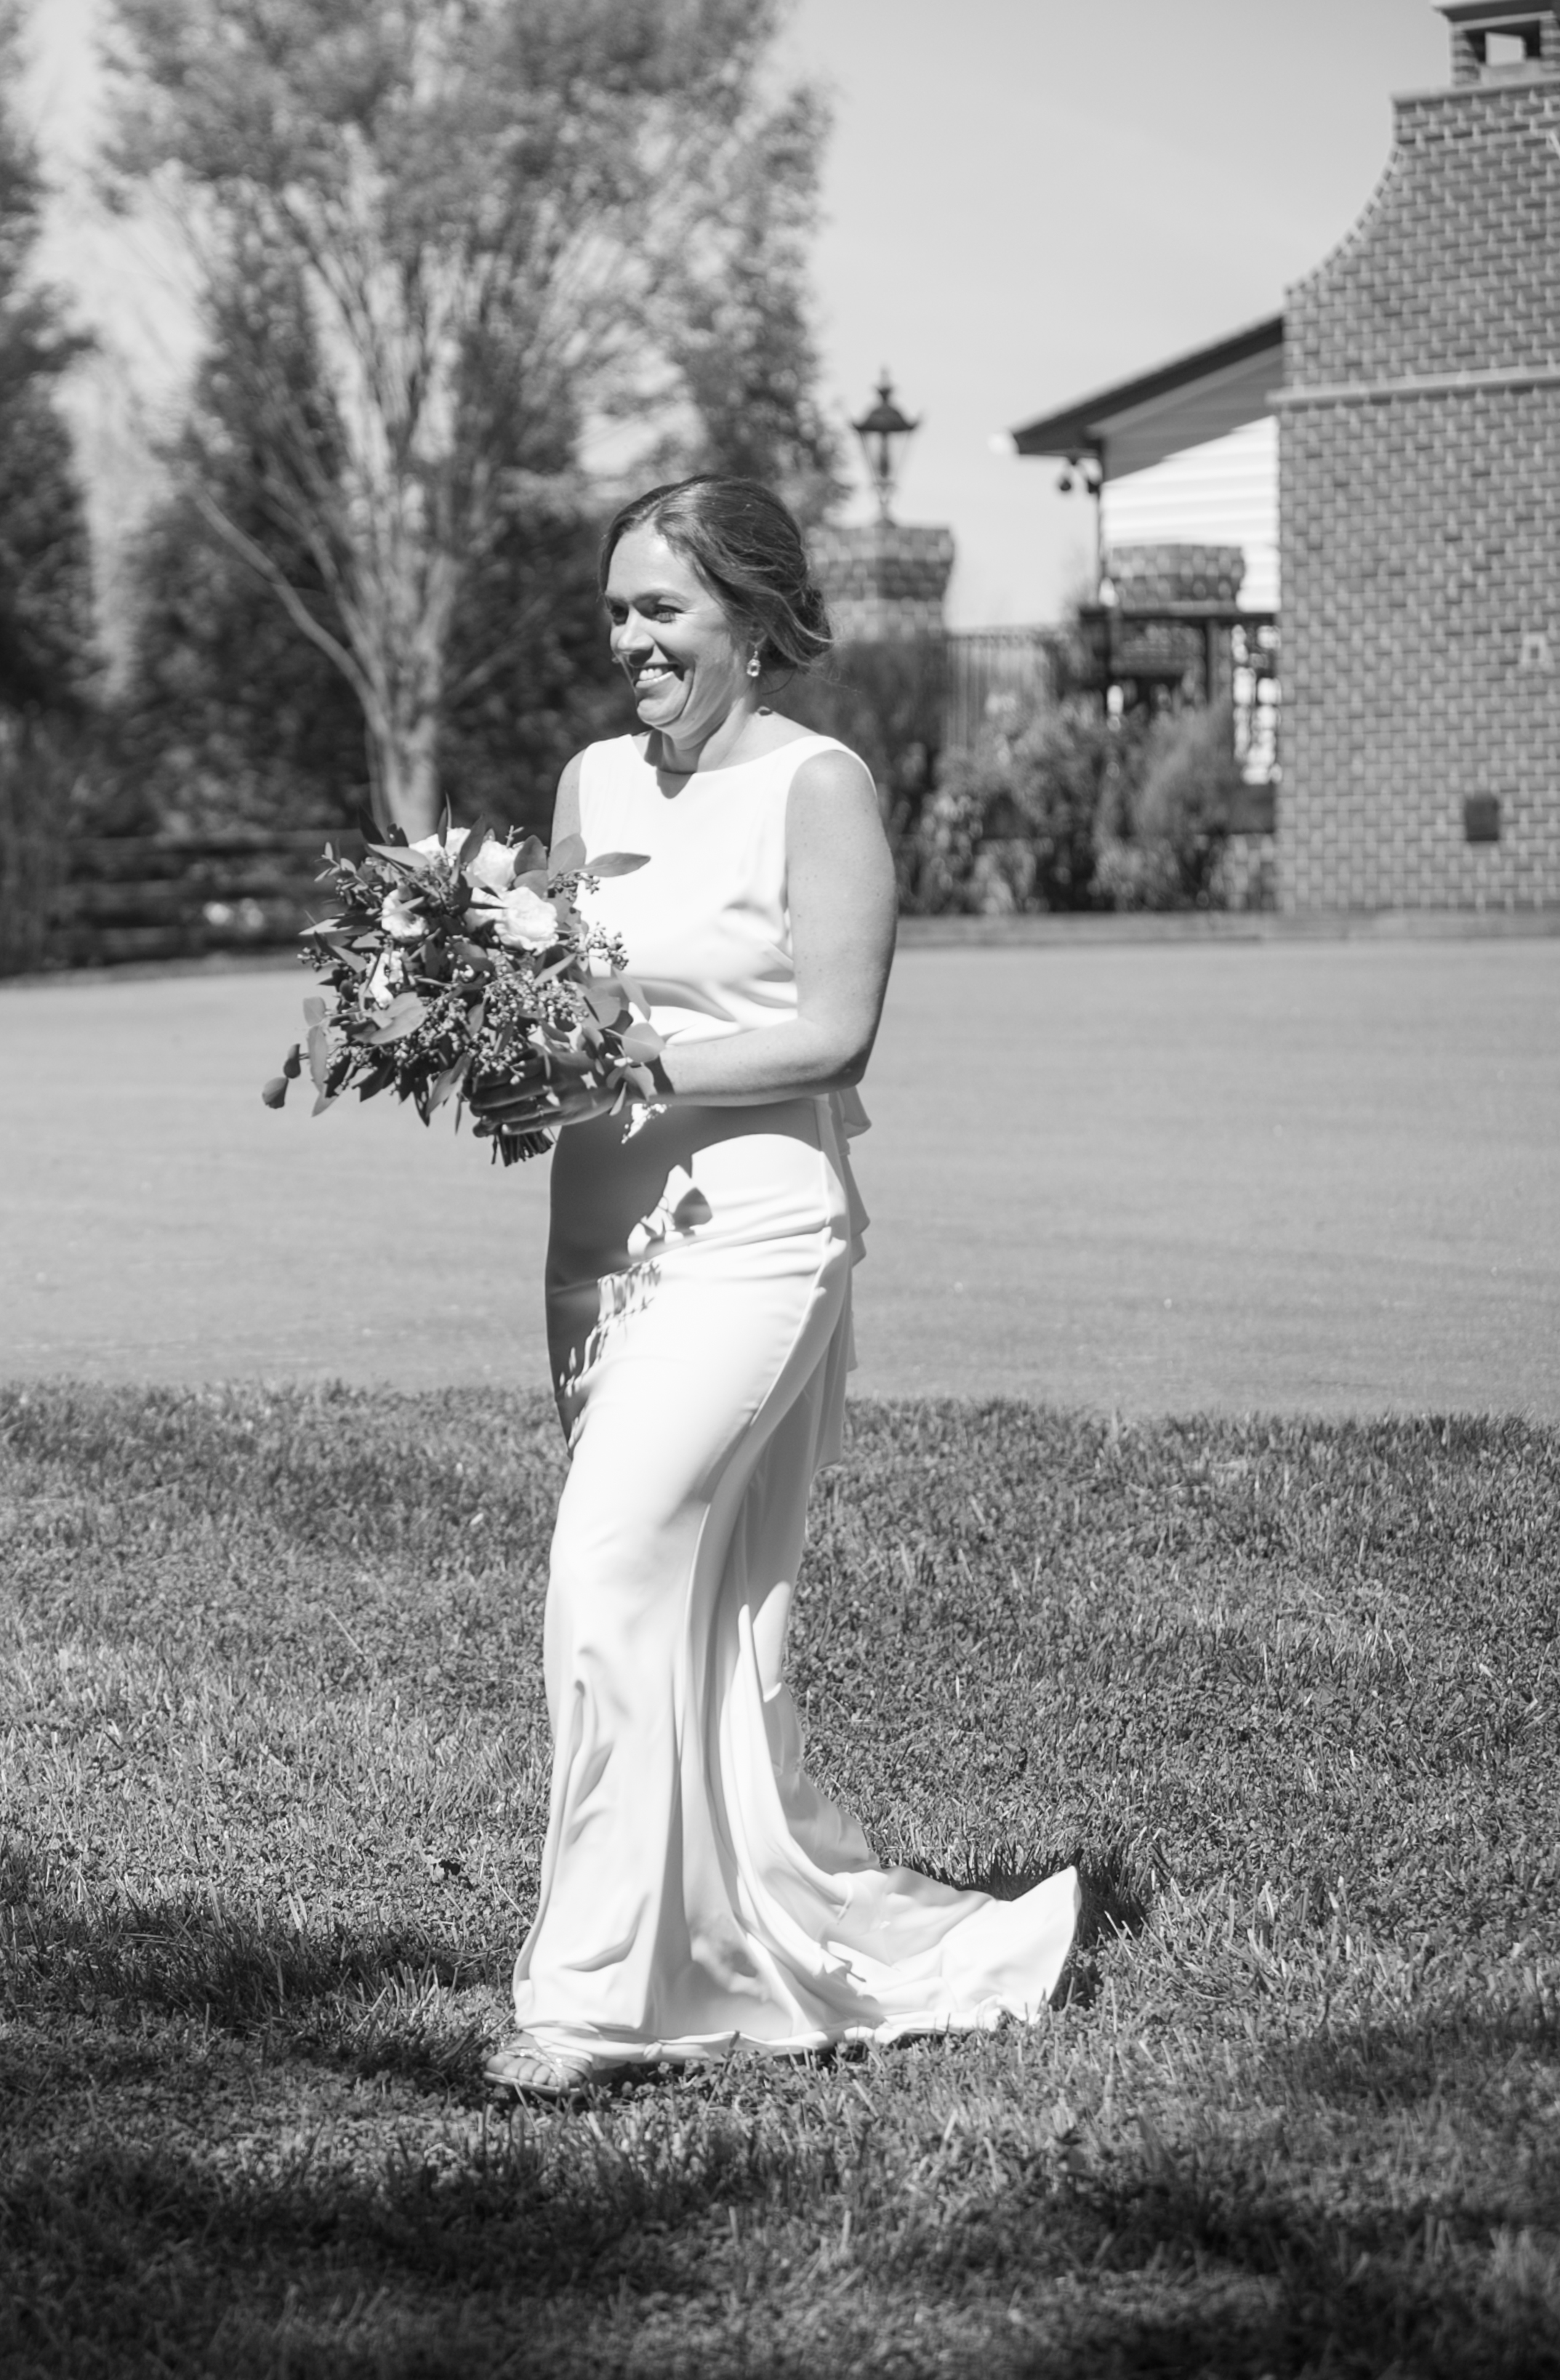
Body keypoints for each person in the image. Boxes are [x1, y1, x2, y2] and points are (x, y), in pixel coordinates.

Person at [474, 476, 1077, 2098]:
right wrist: (489, 1040)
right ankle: (742, 1937)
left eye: (660, 609)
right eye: (615, 610)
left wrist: (632, 1064)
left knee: (606, 1559)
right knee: (687, 1604)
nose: (629, 639)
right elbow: (561, 998)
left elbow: (833, 1035)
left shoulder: (820, 786)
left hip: (754, 1229)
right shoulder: (592, 780)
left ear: (749, 621)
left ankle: (586, 1999)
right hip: (599, 1229)